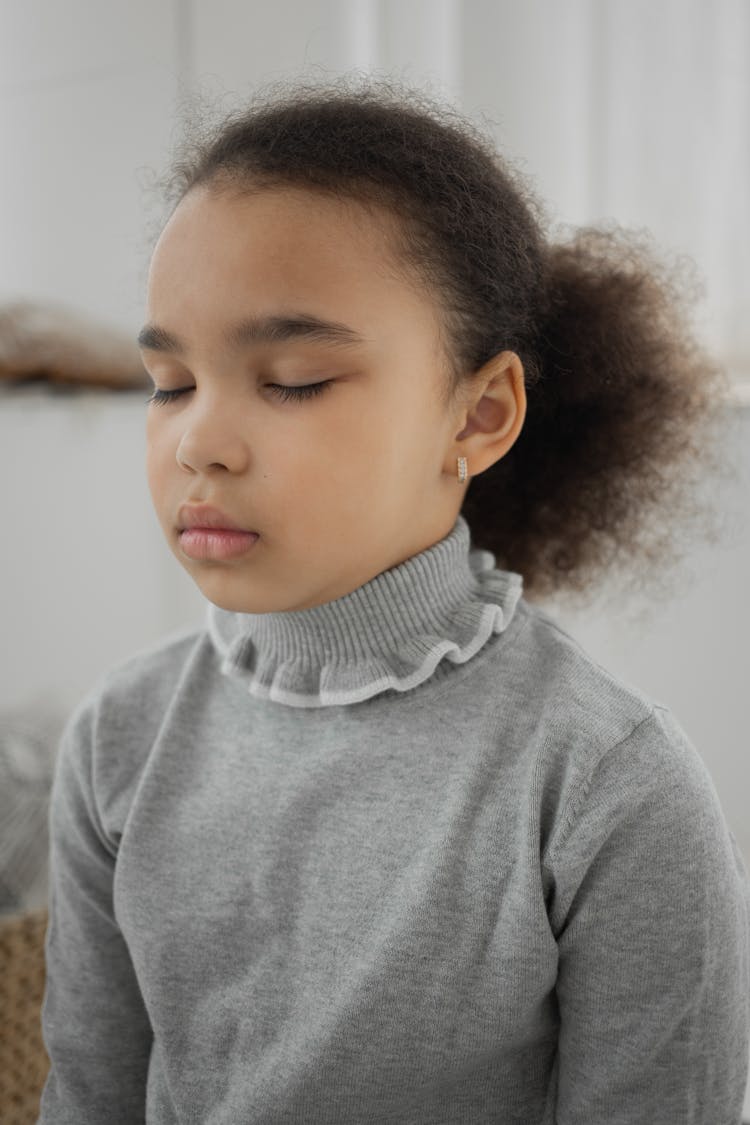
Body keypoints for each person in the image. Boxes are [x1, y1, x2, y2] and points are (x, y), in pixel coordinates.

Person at [38, 74, 750, 1123]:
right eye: (172, 383)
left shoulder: (608, 789)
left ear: (480, 414)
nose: (198, 442)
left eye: (291, 381)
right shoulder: (119, 741)